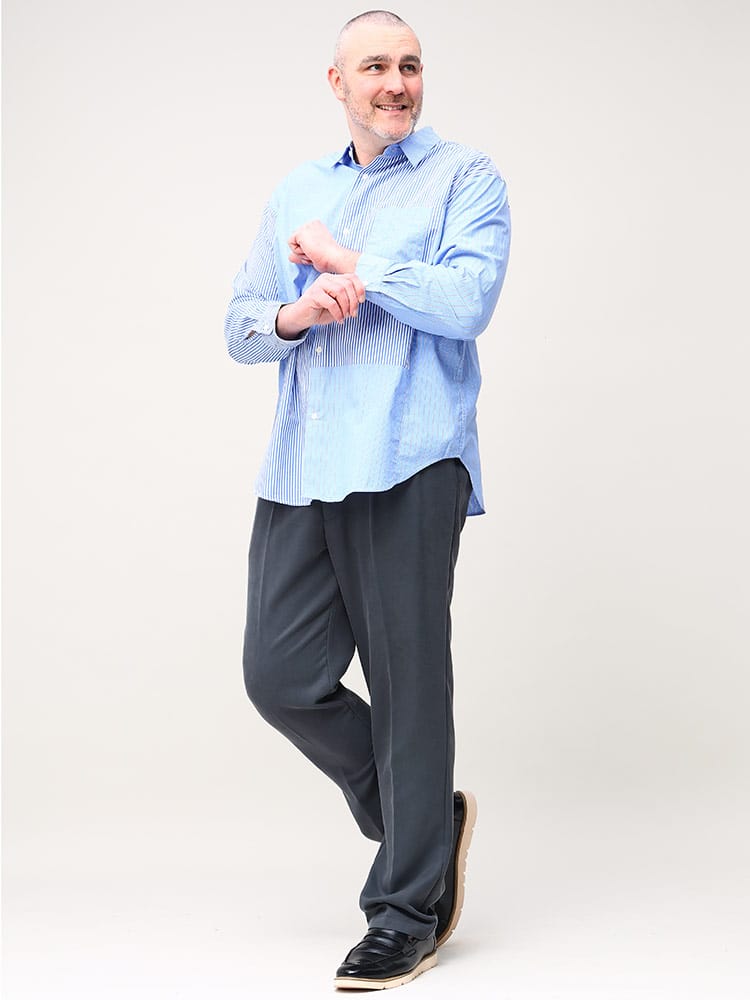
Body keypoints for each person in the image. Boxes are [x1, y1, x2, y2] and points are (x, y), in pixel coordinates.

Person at [224, 9, 510, 990]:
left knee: (407, 683)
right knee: (277, 674)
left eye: (411, 65)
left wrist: (359, 269)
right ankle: (420, 822)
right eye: (376, 66)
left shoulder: (465, 178)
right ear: (337, 82)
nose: (396, 82)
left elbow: (468, 302)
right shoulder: (297, 190)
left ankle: (404, 910)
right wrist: (298, 312)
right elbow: (240, 324)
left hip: (409, 454)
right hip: (306, 461)